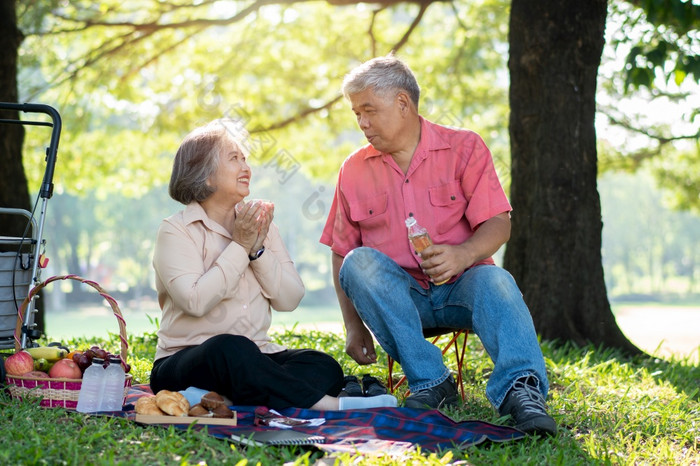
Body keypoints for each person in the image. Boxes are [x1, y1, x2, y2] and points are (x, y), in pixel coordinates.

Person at [320, 56, 557, 435]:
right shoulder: (353, 168)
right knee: (358, 262)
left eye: (369, 111)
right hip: (401, 300)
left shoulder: (464, 148)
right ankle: (432, 382)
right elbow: (340, 251)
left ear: (403, 103)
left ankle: (520, 390)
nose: (362, 123)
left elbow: (499, 223)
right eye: (356, 114)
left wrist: (462, 254)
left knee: (498, 281)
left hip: (463, 287)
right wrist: (353, 326)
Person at [150, 119, 397, 411]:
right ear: (205, 177)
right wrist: (240, 246)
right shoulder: (175, 230)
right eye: (233, 159)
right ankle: (330, 405)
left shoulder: (261, 224)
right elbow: (195, 301)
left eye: (245, 158)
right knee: (229, 347)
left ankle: (219, 398)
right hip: (186, 360)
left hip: (256, 356)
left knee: (322, 365)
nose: (246, 167)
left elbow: (289, 299)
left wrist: (257, 251)